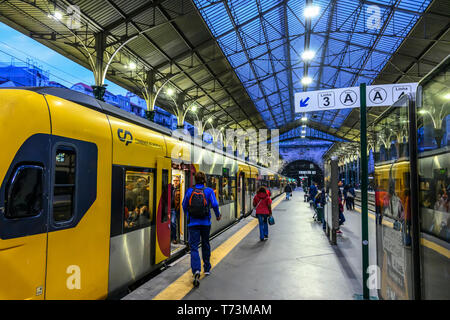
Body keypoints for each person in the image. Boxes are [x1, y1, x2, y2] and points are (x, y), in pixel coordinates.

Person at [182, 171, 221, 287]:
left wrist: (189, 216)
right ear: (204, 180)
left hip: (192, 224)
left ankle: (196, 270)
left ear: (195, 179)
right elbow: (214, 204)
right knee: (205, 244)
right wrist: (217, 215)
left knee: (194, 247)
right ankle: (207, 267)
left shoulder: (190, 191)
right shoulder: (208, 191)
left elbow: (184, 206)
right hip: (205, 223)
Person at [171, 176, 181, 244]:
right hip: (169, 209)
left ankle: (175, 238)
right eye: (174, 180)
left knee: (173, 223)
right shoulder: (170, 188)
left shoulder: (180, 189)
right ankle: (172, 237)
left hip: (175, 209)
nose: (175, 182)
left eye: (177, 180)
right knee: (172, 223)